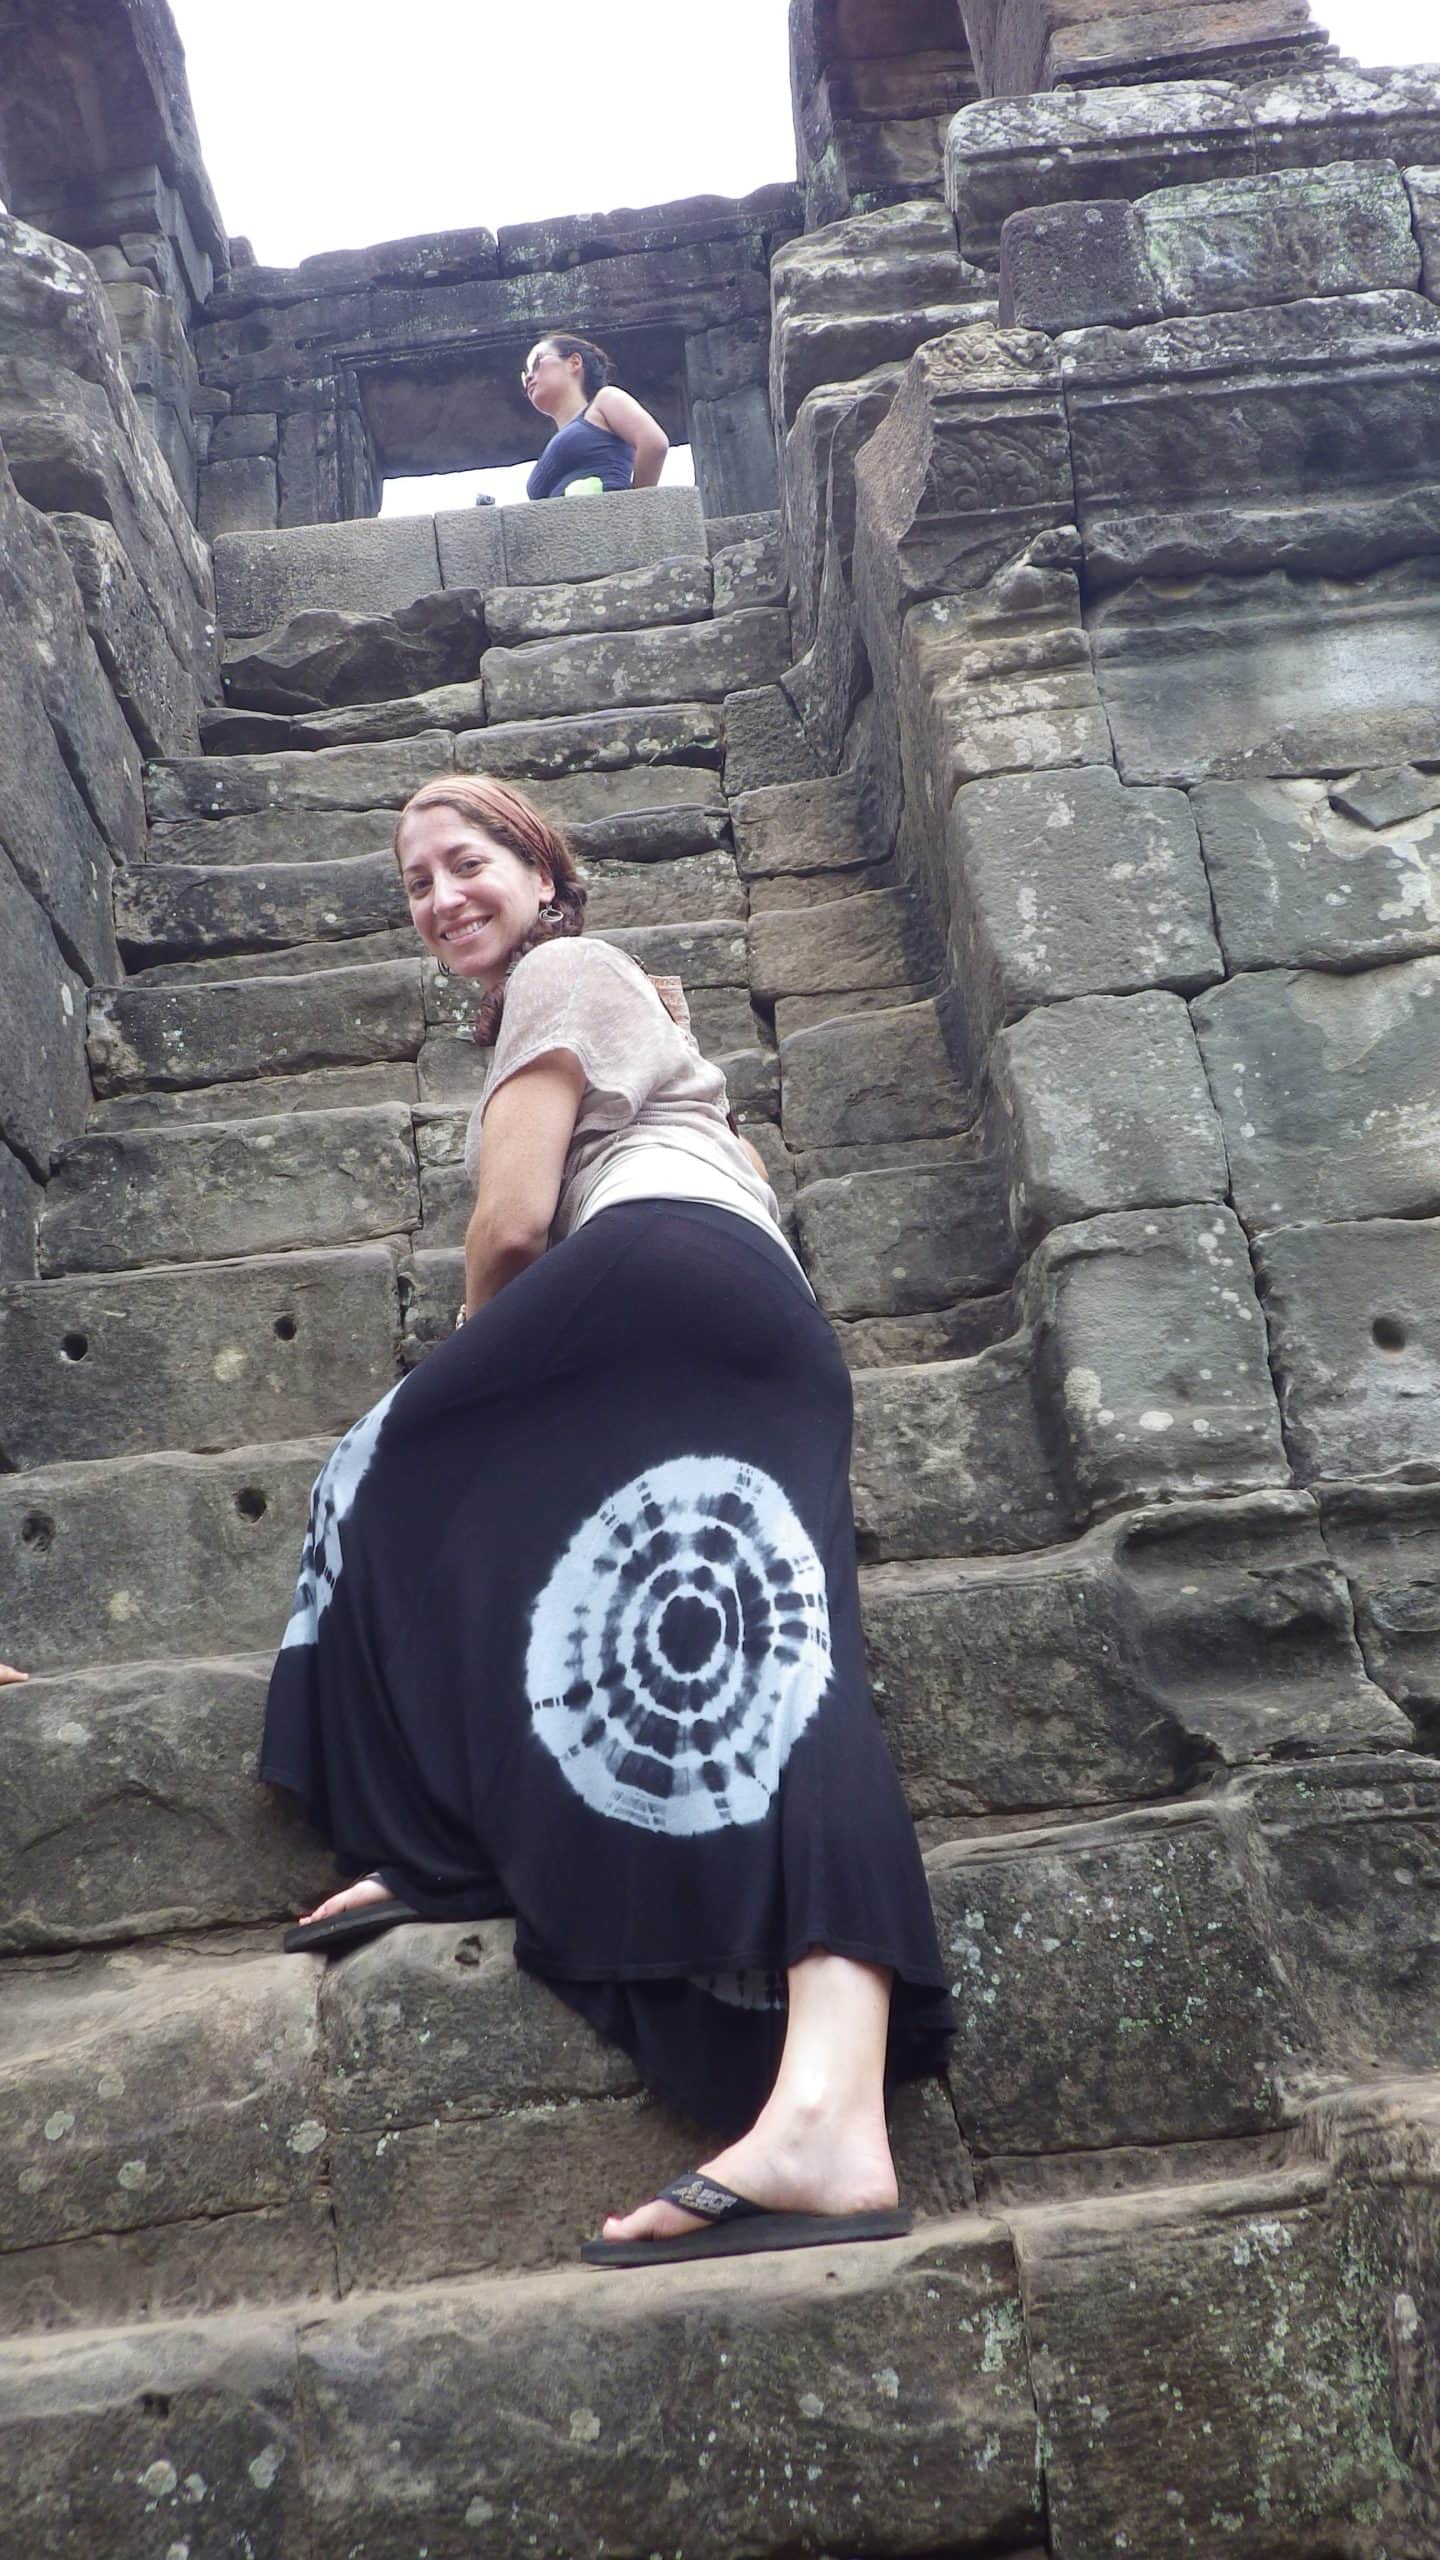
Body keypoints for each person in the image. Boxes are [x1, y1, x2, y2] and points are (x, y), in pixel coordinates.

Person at [259, 773, 954, 2268]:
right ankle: (828, 2109)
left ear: (545, 871)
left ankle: (445, 1835)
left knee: (383, 1468)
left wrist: (471, 1393)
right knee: (784, 1657)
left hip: (650, 1274)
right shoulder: (649, 1020)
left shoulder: (569, 974)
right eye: (415, 884)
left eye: (469, 863)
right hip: (748, 1313)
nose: (442, 897)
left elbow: (512, 1225)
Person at [522, 334, 668, 500]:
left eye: (536, 364)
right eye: (524, 374)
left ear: (574, 362)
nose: (528, 378)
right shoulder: (552, 445)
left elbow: (654, 443)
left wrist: (637, 509)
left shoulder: (605, 400)